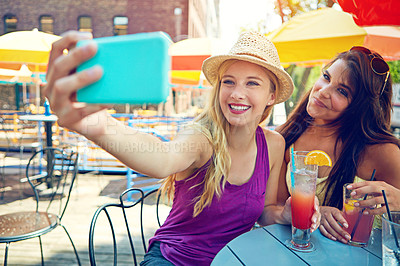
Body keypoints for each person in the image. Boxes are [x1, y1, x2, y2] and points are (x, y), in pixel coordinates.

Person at [44, 31, 320, 266]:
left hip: (232, 259)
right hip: (173, 259)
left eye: (252, 83)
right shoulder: (202, 137)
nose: (237, 93)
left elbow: (265, 211)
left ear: (271, 96)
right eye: (229, 81)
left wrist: (283, 214)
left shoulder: (274, 144)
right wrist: (95, 124)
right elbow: (161, 158)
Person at [277, 46, 400, 244]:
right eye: (326, 77)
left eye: (342, 91)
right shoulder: (287, 138)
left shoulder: (382, 152)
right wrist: (317, 213)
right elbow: (274, 209)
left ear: (359, 108)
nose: (323, 91)